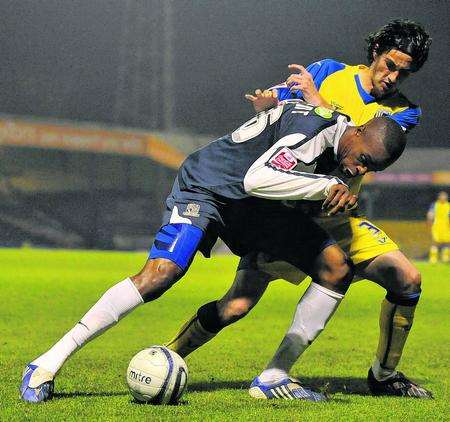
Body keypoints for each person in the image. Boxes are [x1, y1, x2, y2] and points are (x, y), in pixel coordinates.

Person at [20, 98, 406, 403]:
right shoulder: (314, 131)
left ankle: (273, 377)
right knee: (161, 274)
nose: (360, 170)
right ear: (356, 132)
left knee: (336, 267)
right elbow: (257, 179)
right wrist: (324, 187)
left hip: (255, 208)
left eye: (372, 168)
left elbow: (285, 123)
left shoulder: (338, 140)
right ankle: (46, 363)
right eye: (363, 159)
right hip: (207, 188)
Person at [165, 19, 433, 399]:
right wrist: (268, 103)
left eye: (404, 73)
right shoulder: (327, 72)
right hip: (288, 213)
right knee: (236, 305)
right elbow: (283, 114)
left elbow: (362, 142)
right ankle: (166, 357)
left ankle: (383, 375)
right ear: (376, 52)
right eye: (391, 64)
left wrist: (318, 103)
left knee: (408, 280)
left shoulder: (405, 112)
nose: (394, 77)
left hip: (341, 216)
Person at [427, 191, 450, 263]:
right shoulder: (434, 205)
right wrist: (429, 222)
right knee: (435, 242)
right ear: (439, 197)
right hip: (436, 226)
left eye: (444, 196)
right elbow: (430, 214)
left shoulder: (448, 205)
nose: (443, 197)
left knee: (447, 242)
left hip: (447, 226)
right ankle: (433, 259)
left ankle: (446, 258)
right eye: (442, 196)